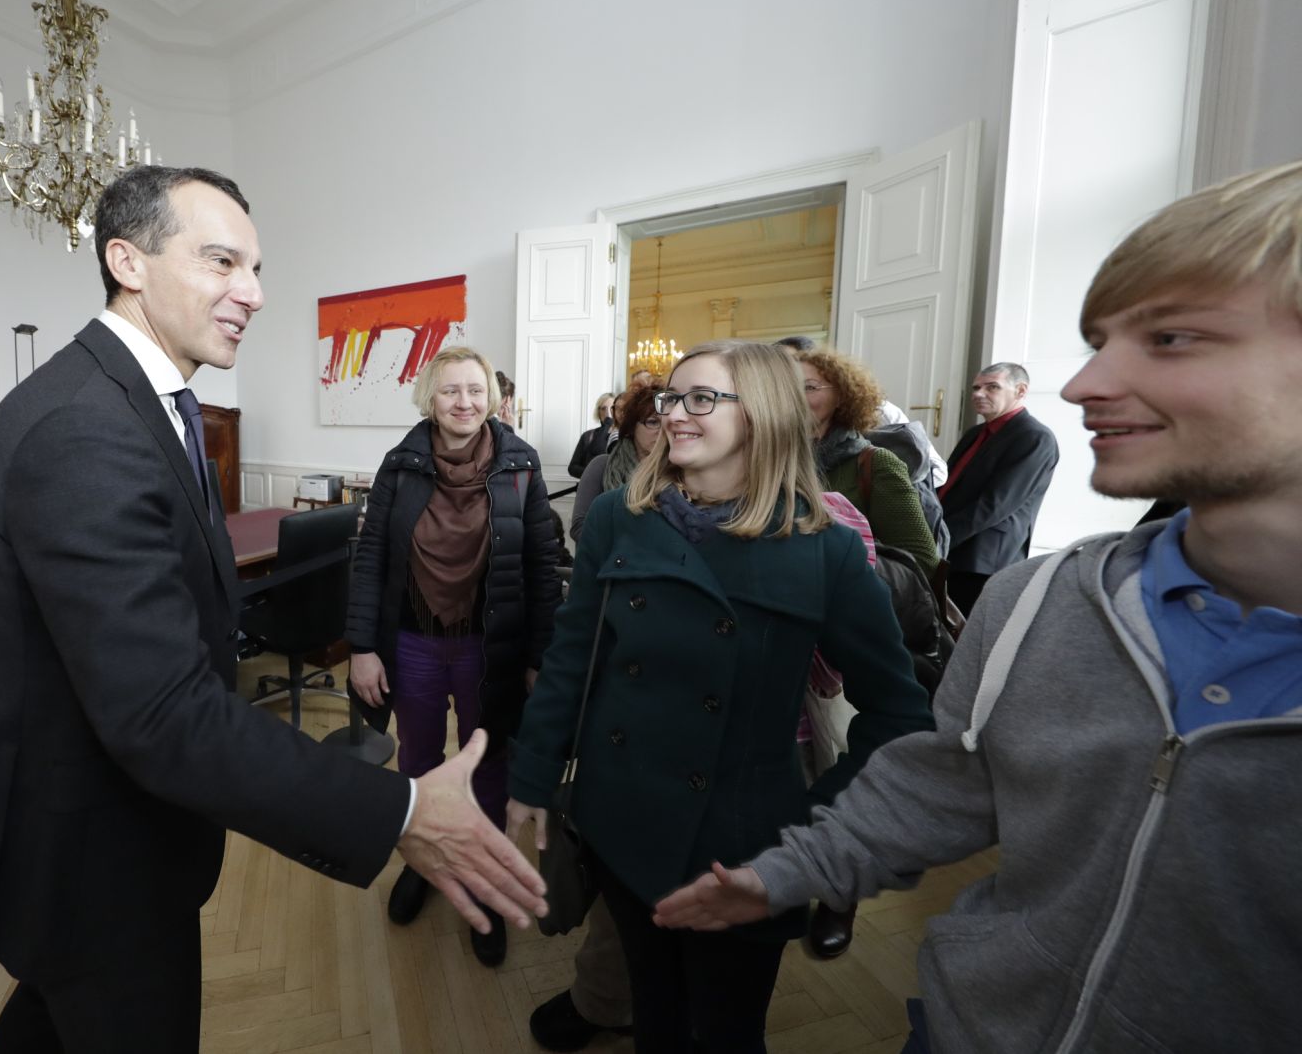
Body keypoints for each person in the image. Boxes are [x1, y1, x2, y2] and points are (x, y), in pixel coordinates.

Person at [647, 162, 1302, 1054]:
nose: (1083, 384)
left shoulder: (862, 496)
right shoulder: (1043, 604)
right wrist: (788, 872)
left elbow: (913, 583)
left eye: (1172, 338)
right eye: (1099, 341)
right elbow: (947, 779)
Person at [0, 167, 547, 1052]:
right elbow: (163, 710)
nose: (252, 291)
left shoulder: (144, 406)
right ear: (127, 261)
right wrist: (399, 810)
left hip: (115, 837)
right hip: (92, 859)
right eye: (221, 261)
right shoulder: (83, 428)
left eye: (255, 267)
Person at [507, 340, 934, 1054]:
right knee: (656, 1014)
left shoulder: (821, 545)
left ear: (762, 412)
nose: (674, 414)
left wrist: (812, 831)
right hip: (620, 818)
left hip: (739, 847)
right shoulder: (617, 517)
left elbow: (899, 716)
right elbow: (572, 658)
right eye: (671, 397)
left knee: (727, 1031)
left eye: (700, 398)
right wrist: (532, 774)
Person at [344, 346, 561, 968]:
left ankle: (483, 879)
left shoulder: (521, 464)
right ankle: (424, 860)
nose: (464, 402)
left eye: (475, 390)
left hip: (489, 646)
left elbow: (542, 568)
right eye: (450, 391)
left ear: (492, 398)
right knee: (417, 758)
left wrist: (540, 655)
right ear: (429, 400)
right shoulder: (400, 464)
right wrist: (362, 647)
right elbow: (371, 558)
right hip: (411, 641)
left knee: (487, 763)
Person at [796, 348, 941, 576]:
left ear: (842, 396)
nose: (796, 397)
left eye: (809, 387)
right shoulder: (775, 460)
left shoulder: (876, 464)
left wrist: (847, 566)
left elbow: (923, 560)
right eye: (789, 388)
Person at [938, 362, 1059, 614]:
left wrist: (939, 537)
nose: (978, 394)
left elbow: (996, 505)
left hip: (984, 558)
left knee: (964, 631)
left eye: (992, 387)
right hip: (952, 549)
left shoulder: (1035, 437)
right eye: (976, 388)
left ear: (1020, 391)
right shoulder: (975, 433)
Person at [774, 336, 948, 486]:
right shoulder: (780, 421)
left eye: (809, 386)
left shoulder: (878, 413)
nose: (784, 375)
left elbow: (936, 471)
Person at [569, 379, 662, 541]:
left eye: (667, 423)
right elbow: (579, 527)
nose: (662, 431)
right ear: (631, 427)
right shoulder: (601, 466)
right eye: (653, 422)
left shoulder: (676, 469)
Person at [567, 392, 617, 478]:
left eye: (612, 408)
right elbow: (572, 468)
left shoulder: (623, 436)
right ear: (598, 412)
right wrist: (592, 474)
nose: (608, 413)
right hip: (589, 484)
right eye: (603, 408)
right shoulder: (588, 436)